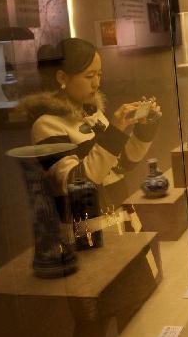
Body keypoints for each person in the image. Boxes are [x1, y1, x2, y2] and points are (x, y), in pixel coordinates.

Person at [19, 37, 161, 220]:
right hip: (89, 228)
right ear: (62, 77)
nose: (96, 83)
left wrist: (145, 129)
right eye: (89, 76)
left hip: (121, 213)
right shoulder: (46, 125)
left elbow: (124, 163)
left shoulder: (93, 114)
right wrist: (114, 133)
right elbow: (75, 184)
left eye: (99, 74)